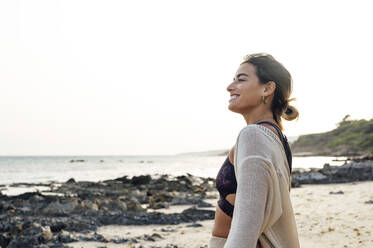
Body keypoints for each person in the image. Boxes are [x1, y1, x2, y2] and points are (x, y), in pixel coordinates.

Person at [209, 53, 300, 248]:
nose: (230, 87)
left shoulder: (254, 136)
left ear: (267, 88)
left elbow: (246, 226)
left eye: (241, 80)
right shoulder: (274, 137)